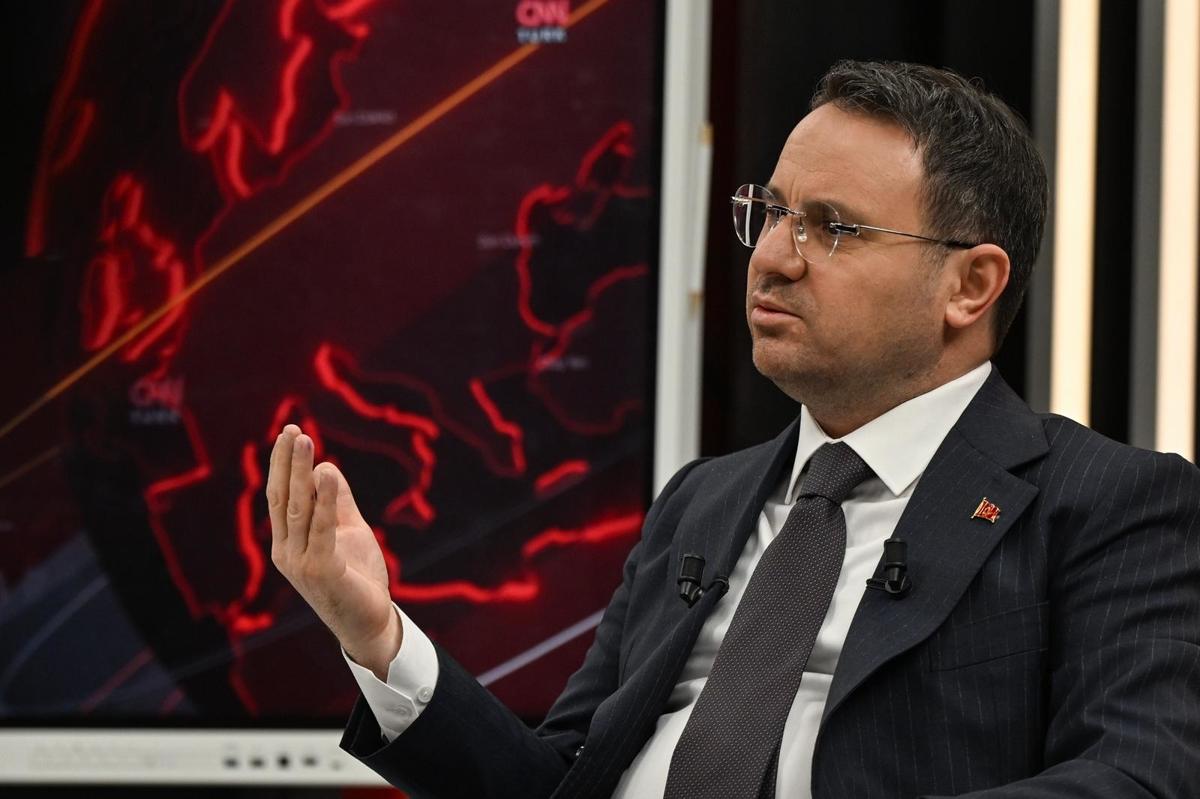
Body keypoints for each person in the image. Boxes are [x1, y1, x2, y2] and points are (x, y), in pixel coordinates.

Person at [267, 60, 1200, 798]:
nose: (775, 257)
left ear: (971, 284)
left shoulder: (1110, 505)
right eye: (773, 212)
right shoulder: (700, 501)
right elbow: (563, 780)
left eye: (833, 227)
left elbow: (1138, 775)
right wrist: (379, 635)